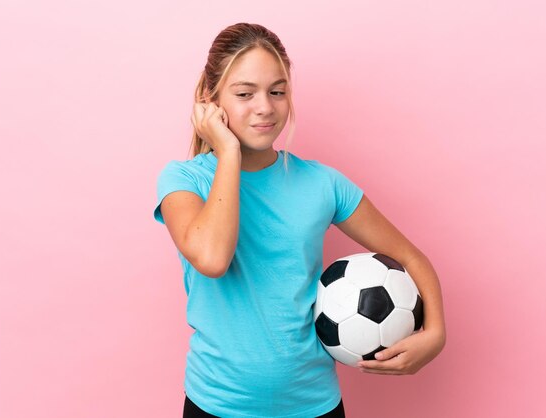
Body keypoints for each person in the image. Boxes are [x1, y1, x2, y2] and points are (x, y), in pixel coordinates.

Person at [154, 22, 446, 418]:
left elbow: (410, 257)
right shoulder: (185, 180)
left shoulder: (322, 183)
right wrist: (227, 152)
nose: (265, 107)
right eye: (244, 94)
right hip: (216, 406)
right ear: (211, 98)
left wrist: (436, 334)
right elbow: (212, 258)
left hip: (313, 406)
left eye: (278, 91)